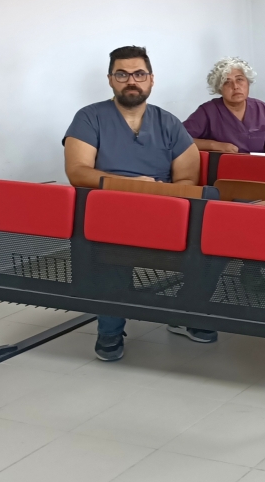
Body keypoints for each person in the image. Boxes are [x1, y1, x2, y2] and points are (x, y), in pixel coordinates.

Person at [64, 46, 205, 362]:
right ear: (110, 79)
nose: (131, 81)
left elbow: (187, 179)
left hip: (163, 211)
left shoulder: (169, 123)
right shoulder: (89, 117)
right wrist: (131, 187)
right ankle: (110, 330)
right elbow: (77, 172)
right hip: (107, 212)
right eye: (122, 74)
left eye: (139, 74)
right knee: (111, 246)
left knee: (213, 242)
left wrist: (159, 195)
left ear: (151, 79)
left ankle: (185, 312)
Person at [184, 57, 265, 154]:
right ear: (219, 89)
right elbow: (180, 139)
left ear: (248, 82)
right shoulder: (207, 111)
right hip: (224, 164)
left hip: (260, 164)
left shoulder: (262, 109)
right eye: (227, 82)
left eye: (239, 79)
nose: (235, 87)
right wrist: (214, 145)